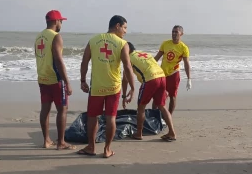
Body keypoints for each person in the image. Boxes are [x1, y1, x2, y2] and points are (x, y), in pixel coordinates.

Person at [78, 15, 136, 158]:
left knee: (93, 117)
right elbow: (128, 67)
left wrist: (83, 80)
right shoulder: (122, 44)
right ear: (117, 26)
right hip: (114, 87)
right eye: (124, 27)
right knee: (111, 118)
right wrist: (133, 88)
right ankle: (107, 149)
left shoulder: (93, 40)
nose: (125, 31)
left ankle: (91, 147)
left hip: (97, 86)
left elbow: (84, 62)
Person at [34, 10, 75, 150]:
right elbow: (58, 60)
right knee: (62, 109)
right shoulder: (56, 36)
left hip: (42, 78)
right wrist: (67, 81)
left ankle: (46, 141)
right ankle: (61, 142)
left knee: (45, 109)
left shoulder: (39, 36)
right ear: (56, 21)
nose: (61, 24)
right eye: (61, 21)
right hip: (55, 79)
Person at [123, 42, 177, 141]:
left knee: (141, 107)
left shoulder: (128, 58)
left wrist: (124, 96)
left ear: (127, 50)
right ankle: (172, 132)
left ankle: (139, 133)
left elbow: (125, 79)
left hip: (150, 79)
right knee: (162, 106)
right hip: (161, 76)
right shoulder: (144, 54)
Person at [154, 25, 192, 115]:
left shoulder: (184, 48)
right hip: (162, 73)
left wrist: (189, 79)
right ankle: (154, 115)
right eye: (173, 32)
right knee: (157, 96)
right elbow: (156, 58)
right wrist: (148, 67)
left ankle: (169, 116)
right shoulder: (165, 43)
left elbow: (186, 64)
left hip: (174, 74)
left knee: (172, 96)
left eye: (176, 32)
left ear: (181, 34)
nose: (174, 34)